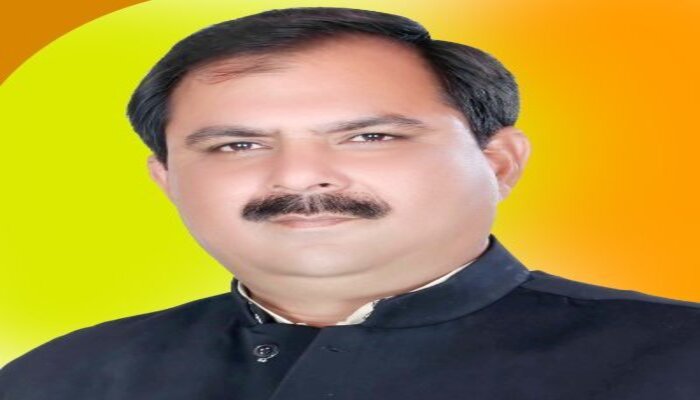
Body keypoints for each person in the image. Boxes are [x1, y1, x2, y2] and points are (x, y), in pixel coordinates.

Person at [1, 6, 698, 400]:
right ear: (168, 180)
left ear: (498, 162)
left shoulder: (676, 360)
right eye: (238, 145)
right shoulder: (59, 380)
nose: (302, 176)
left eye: (370, 137)